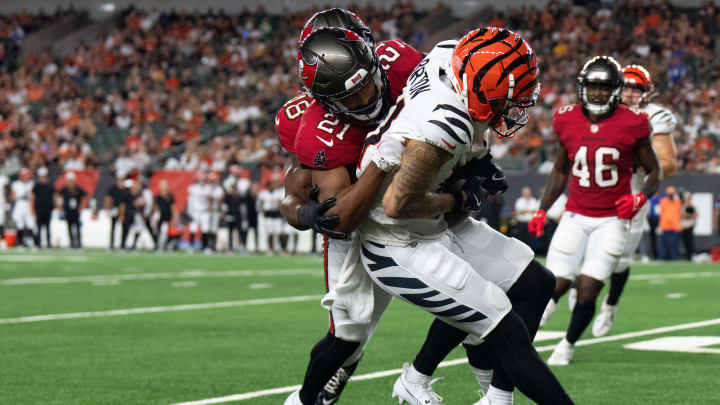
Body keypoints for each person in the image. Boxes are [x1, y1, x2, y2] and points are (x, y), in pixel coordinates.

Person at [343, 28, 575, 405]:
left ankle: (494, 399)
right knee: (500, 318)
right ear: (477, 89)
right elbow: (398, 204)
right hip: (397, 242)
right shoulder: (448, 121)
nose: (514, 108)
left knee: (536, 284)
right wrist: (461, 198)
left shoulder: (449, 55)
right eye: (506, 99)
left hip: (430, 226)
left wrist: (479, 162)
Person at [282, 11, 424, 405]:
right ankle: (310, 398)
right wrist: (302, 212)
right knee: (349, 336)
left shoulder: (400, 61)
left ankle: (428, 379)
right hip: (358, 228)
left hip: (415, 211)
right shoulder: (312, 126)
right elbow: (296, 191)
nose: (365, 99)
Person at [528, 56, 661, 366]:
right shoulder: (566, 118)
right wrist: (541, 209)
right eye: (593, 86)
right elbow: (560, 171)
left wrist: (640, 198)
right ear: (582, 88)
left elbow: (655, 172)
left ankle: (567, 344)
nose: (598, 93)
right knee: (554, 284)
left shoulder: (634, 121)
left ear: (614, 90)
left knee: (588, 290)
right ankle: (546, 309)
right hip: (575, 214)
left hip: (613, 220)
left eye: (604, 87)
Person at [591, 64, 679, 337]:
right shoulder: (599, 110)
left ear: (646, 92)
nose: (629, 93)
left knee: (620, 259)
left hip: (633, 193)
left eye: (636, 88)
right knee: (587, 248)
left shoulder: (655, 116)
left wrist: (634, 160)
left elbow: (669, 165)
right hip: (597, 189)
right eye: (626, 87)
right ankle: (581, 297)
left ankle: (610, 304)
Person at [58, 172, 87, 249]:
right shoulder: (64, 190)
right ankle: (71, 244)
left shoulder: (78, 189)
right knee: (69, 228)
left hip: (76, 212)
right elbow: (58, 197)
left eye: (72, 181)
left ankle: (79, 244)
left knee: (77, 228)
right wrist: (60, 208)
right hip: (67, 212)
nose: (71, 183)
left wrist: (82, 206)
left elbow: (86, 196)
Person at [256, 176, 285, 255]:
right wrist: (261, 211)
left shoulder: (278, 193)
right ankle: (270, 248)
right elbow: (259, 205)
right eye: (271, 185)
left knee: (280, 232)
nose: (273, 186)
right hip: (268, 214)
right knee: (270, 233)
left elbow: (280, 203)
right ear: (267, 186)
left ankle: (283, 249)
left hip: (276, 214)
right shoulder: (263, 194)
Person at [10, 168, 35, 247]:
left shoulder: (31, 183)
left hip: (28, 203)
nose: (26, 177)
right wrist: (20, 195)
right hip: (19, 203)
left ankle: (32, 242)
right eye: (24, 176)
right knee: (19, 224)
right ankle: (20, 243)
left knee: (31, 223)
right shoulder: (16, 184)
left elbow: (33, 197)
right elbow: (12, 197)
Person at [31, 167, 55, 248]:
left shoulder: (50, 186)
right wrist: (32, 208)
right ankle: (38, 243)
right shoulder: (36, 186)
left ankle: (48, 243)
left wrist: (55, 207)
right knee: (39, 227)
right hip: (39, 209)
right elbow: (32, 197)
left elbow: (54, 196)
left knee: (48, 227)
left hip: (48, 209)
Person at [658, 186, 682, 260]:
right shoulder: (663, 201)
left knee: (674, 244)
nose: (670, 195)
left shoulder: (678, 201)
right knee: (664, 244)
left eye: (672, 194)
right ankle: (663, 258)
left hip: (675, 226)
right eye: (669, 194)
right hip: (665, 226)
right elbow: (661, 213)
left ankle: (674, 258)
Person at [105, 174, 126, 250]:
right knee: (113, 228)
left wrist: (122, 214)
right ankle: (111, 245)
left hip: (123, 211)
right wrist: (107, 208)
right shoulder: (113, 189)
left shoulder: (125, 190)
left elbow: (123, 203)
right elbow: (108, 198)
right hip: (114, 210)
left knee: (123, 228)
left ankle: (122, 245)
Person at [154, 179, 176, 251]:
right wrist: (155, 216)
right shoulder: (158, 196)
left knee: (165, 231)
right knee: (159, 231)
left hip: (167, 217)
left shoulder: (170, 196)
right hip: (160, 216)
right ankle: (159, 245)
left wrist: (174, 216)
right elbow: (156, 207)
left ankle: (163, 246)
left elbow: (173, 207)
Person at [681, 191, 697, 261]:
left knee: (689, 242)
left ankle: (689, 256)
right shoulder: (683, 206)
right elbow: (681, 215)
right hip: (683, 226)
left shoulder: (692, 206)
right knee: (684, 242)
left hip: (689, 226)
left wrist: (687, 215)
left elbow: (694, 215)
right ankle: (686, 255)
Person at [0, 173, 8, 249]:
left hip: (1, 203)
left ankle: (2, 240)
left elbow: (6, 191)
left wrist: (7, 203)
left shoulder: (3, 178)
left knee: (1, 223)